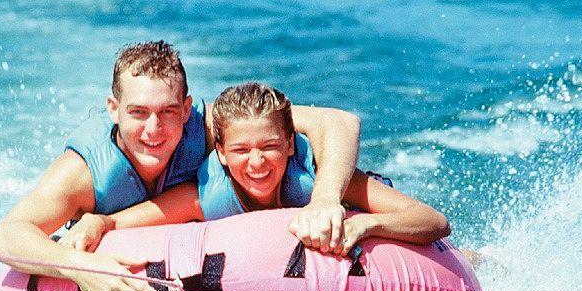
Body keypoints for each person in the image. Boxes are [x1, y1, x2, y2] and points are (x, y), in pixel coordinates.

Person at [0, 44, 362, 291]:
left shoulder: (208, 126)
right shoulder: (83, 173)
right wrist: (78, 267)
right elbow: (6, 236)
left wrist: (325, 199)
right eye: (137, 113)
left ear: (186, 109)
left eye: (168, 111)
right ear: (113, 109)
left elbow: (339, 122)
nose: (154, 130)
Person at [65, 82, 451, 256]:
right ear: (220, 154)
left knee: (460, 258)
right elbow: (123, 221)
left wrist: (364, 223)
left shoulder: (312, 178)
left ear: (289, 144)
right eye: (241, 150)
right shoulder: (208, 196)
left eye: (270, 147)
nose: (256, 162)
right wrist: (96, 222)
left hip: (383, 242)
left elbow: (432, 221)